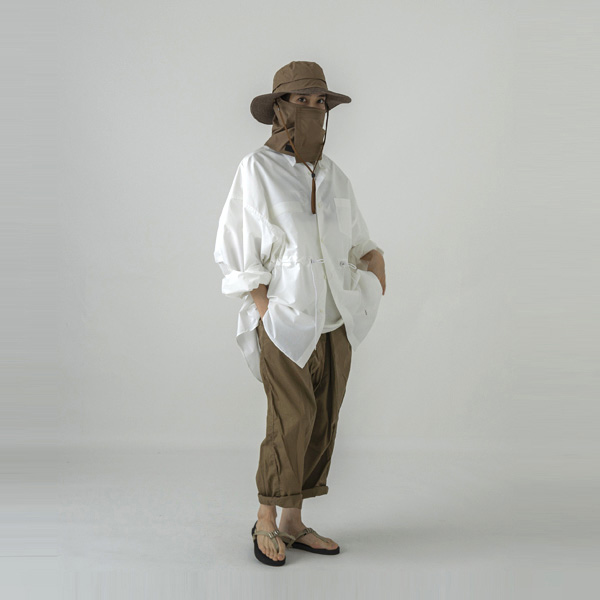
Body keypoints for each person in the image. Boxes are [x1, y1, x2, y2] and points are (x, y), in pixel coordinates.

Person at [213, 61, 386, 566]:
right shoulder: (257, 169)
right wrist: (263, 307)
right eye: (302, 101)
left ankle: (294, 521)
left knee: (321, 420)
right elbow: (236, 243)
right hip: (286, 319)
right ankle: (265, 519)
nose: (313, 109)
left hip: (335, 319)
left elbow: (358, 243)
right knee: (291, 419)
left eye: (319, 102)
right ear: (280, 109)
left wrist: (375, 274)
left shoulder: (334, 176)